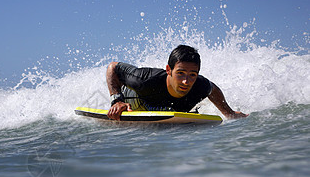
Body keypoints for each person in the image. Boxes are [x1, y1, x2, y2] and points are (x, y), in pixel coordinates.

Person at [106, 45, 248, 120]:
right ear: (169, 70)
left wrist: (229, 113)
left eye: (192, 75)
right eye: (180, 73)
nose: (186, 81)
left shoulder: (199, 85)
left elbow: (212, 89)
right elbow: (113, 67)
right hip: (135, 98)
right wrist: (117, 100)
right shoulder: (145, 80)